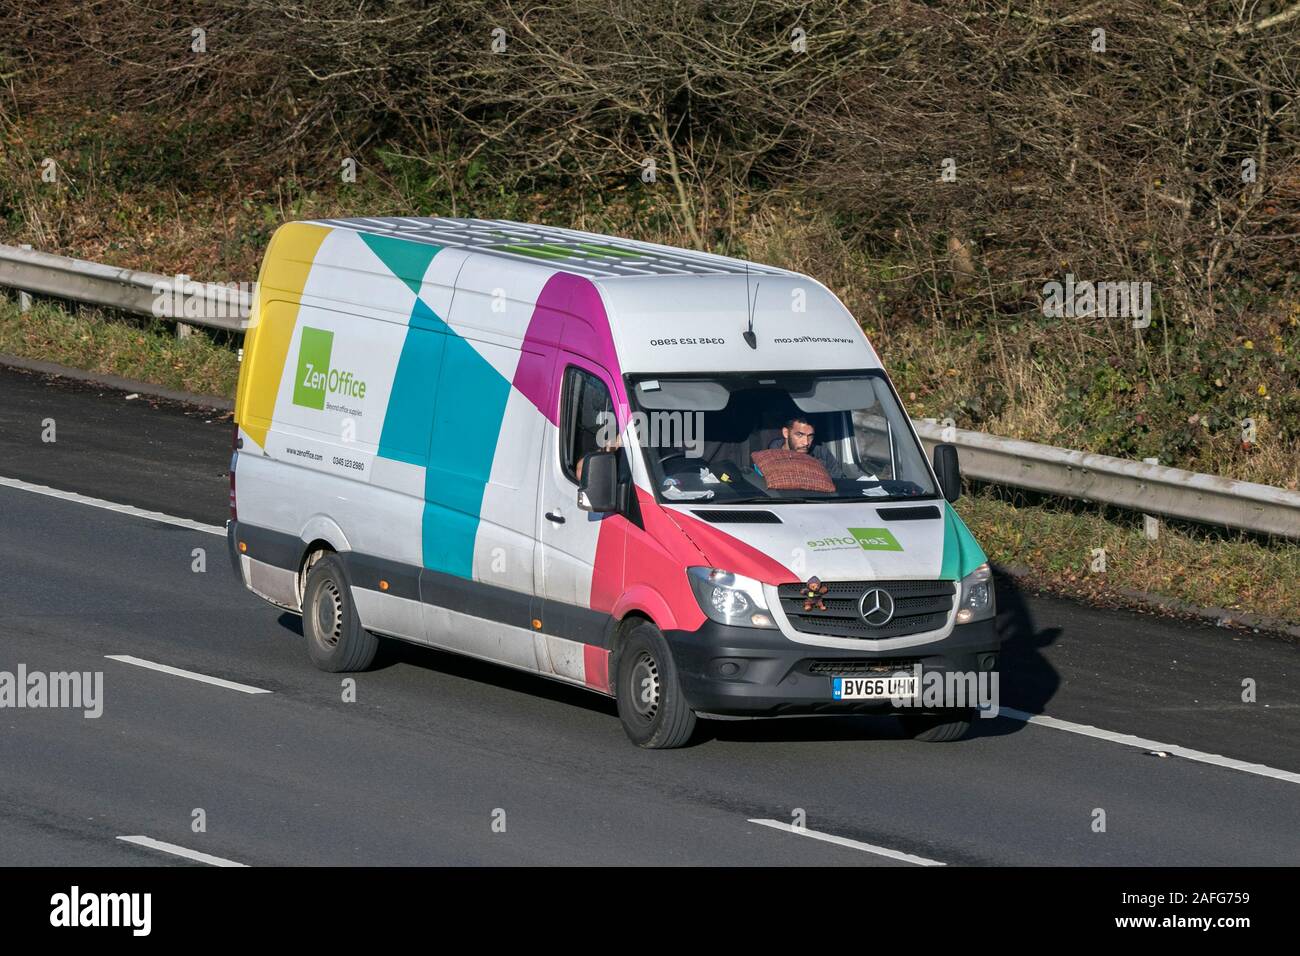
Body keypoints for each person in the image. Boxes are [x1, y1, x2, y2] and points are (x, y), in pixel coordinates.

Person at [767, 416, 843, 479]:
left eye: (810, 436)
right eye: (799, 435)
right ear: (786, 433)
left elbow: (840, 483)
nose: (806, 442)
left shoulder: (822, 454)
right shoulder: (769, 458)